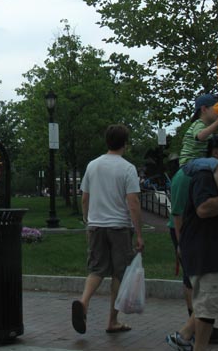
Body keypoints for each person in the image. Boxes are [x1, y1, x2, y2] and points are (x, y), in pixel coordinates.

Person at [166, 133, 218, 351]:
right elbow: (203, 209)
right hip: (204, 249)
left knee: (210, 301)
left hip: (213, 250)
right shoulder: (205, 175)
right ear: (216, 152)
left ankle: (182, 337)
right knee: (209, 305)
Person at [71, 124, 144, 335]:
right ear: (125, 144)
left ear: (107, 142)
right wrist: (139, 234)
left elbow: (85, 198)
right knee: (119, 273)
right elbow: (133, 202)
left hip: (96, 226)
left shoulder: (92, 166)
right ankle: (112, 321)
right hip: (119, 227)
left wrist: (88, 221)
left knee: (97, 269)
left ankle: (83, 302)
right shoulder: (127, 168)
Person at [179, 94, 218, 198]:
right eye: (217, 108)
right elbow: (200, 136)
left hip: (196, 161)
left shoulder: (206, 127)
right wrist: (217, 123)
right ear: (204, 109)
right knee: (217, 164)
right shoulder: (199, 124)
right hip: (189, 162)